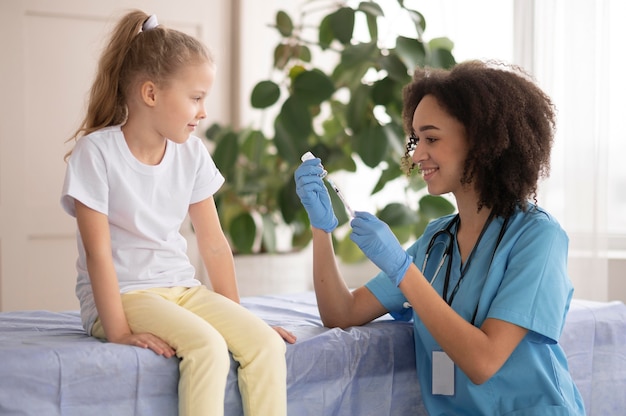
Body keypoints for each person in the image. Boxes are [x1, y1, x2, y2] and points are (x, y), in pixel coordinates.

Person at [295, 60, 585, 415]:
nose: (416, 155)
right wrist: (320, 228)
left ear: (482, 141)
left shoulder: (538, 237)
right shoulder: (437, 241)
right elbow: (341, 313)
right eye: (416, 139)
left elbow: (483, 362)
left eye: (431, 138)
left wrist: (404, 272)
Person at [61, 10, 294, 416]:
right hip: (124, 295)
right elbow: (98, 254)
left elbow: (215, 246)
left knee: (266, 344)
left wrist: (243, 324)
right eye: (196, 97)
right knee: (206, 347)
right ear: (151, 94)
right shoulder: (96, 153)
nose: (203, 112)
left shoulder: (192, 154)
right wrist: (117, 331)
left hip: (181, 290)